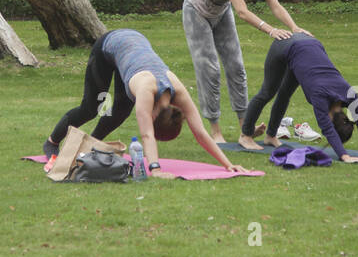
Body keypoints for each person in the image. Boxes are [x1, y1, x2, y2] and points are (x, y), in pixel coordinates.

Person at [43, 29, 251, 179]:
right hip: (110, 46)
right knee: (91, 109)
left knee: (119, 113)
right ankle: (52, 142)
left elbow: (200, 132)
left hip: (135, 47)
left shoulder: (179, 93)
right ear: (153, 117)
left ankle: (91, 147)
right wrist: (156, 168)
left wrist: (228, 164)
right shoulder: (145, 92)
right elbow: (147, 135)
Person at [182, 0, 308, 142]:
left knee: (236, 66)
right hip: (196, 11)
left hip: (220, 10)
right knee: (210, 68)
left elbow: (274, 5)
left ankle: (245, 127)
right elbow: (242, 11)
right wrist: (270, 30)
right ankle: (215, 130)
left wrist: (294, 27)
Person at [237, 34, 358, 163]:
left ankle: (270, 136)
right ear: (331, 118)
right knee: (267, 92)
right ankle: (245, 135)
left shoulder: (351, 95)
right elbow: (328, 129)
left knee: (285, 94)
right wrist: (344, 156)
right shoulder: (321, 96)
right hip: (285, 46)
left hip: (309, 47)